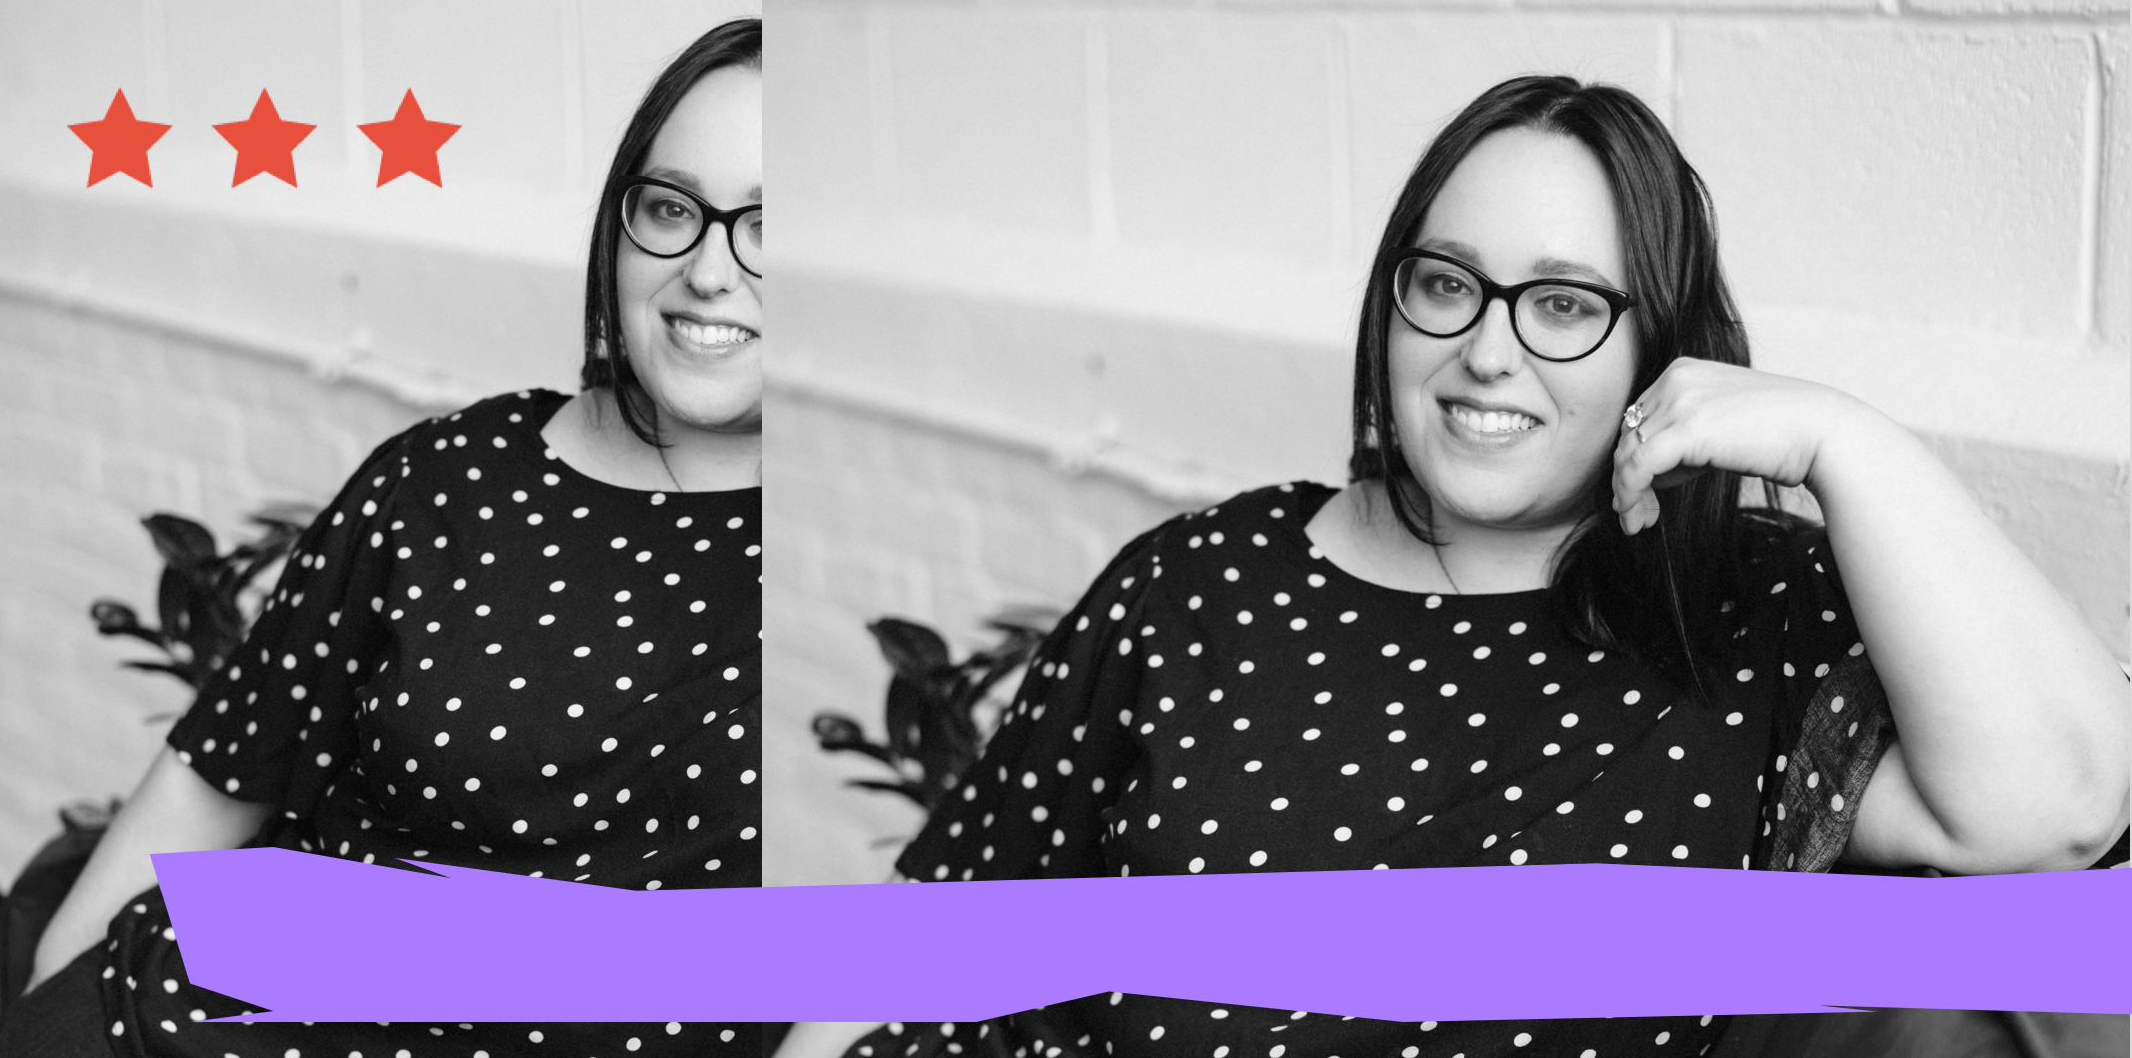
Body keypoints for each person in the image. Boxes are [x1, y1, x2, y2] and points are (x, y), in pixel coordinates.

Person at [781, 75, 2129, 1058]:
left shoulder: (1733, 618)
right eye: (1448, 286)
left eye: (1563, 305)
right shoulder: (1196, 580)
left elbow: (2056, 806)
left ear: (1656, 348)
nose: (1488, 350)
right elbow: (926, 933)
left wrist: (1850, 442)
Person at [0, 18, 764, 1058]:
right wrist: (32, 1019)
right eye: (671, 209)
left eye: (769, 227)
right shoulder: (448, 472)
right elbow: (209, 785)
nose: (708, 269)